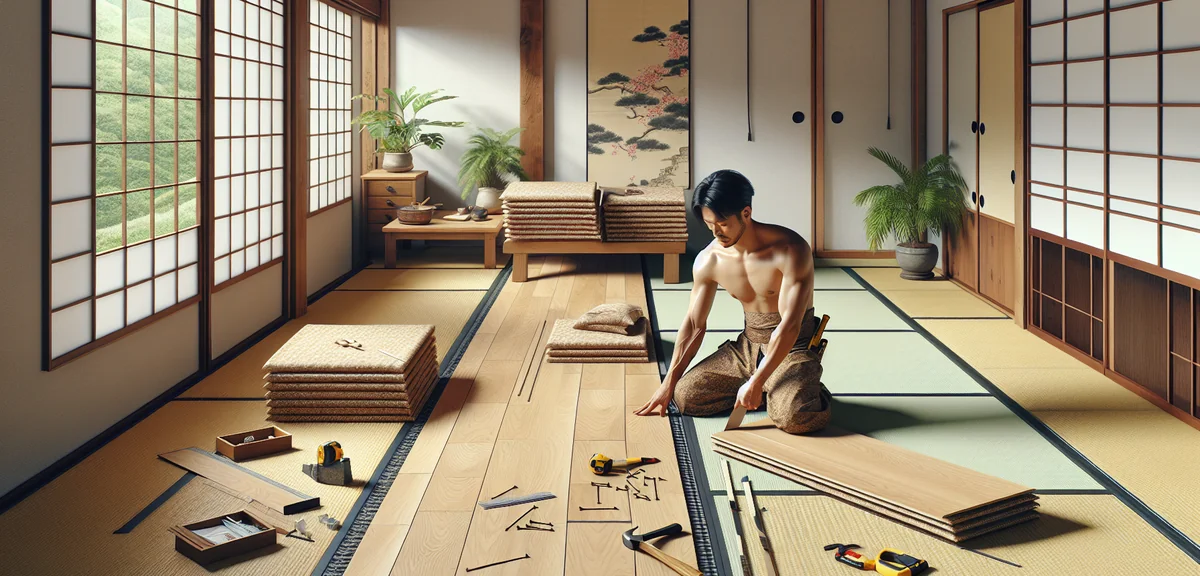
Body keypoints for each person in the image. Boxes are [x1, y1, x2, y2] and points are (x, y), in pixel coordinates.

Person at [633, 169, 831, 434]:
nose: (716, 232)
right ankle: (771, 390)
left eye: (723, 223)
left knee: (794, 419)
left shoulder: (790, 249)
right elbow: (694, 324)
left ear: (746, 213)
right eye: (709, 223)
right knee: (685, 396)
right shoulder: (709, 259)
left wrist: (758, 380)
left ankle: (803, 386)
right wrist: (668, 382)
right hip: (747, 347)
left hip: (792, 346)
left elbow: (790, 325)